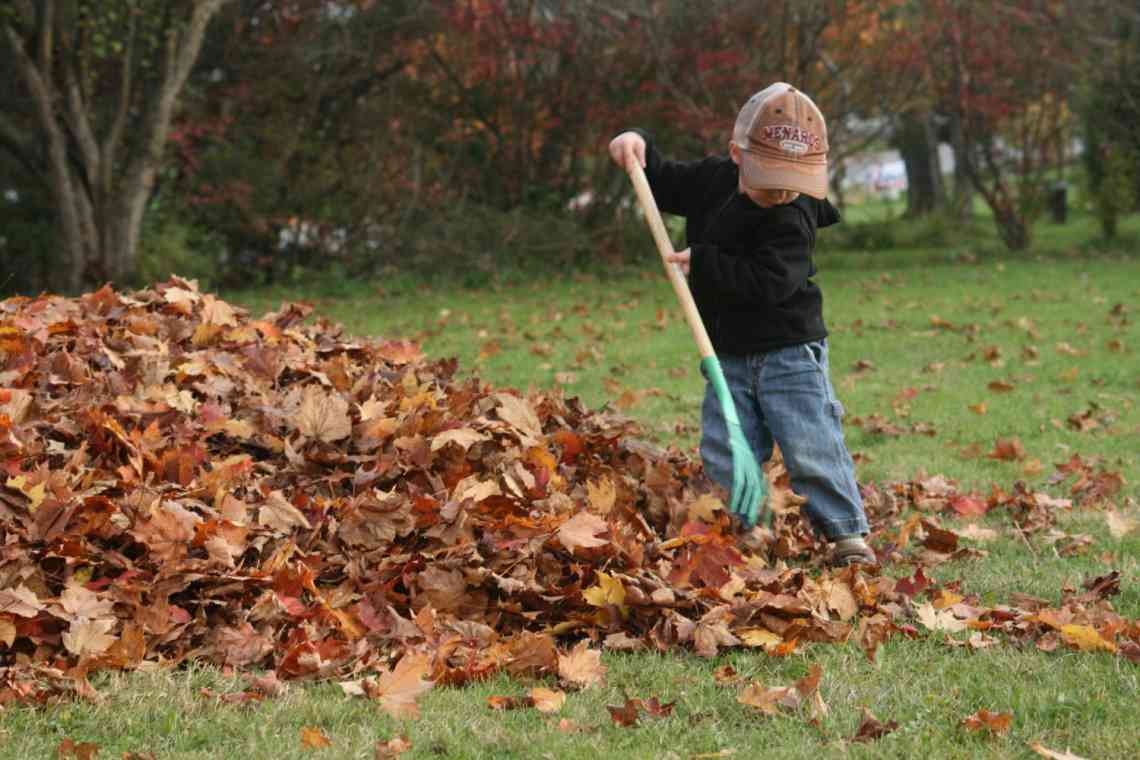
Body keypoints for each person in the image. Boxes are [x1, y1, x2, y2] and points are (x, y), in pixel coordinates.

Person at [608, 82, 874, 566]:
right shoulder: (712, 179)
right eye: (770, 180)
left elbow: (771, 282)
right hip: (726, 352)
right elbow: (662, 180)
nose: (780, 192)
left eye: (792, 181)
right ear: (737, 155)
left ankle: (845, 534)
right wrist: (636, 143)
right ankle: (744, 529)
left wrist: (706, 263)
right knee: (727, 449)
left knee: (811, 446)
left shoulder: (795, 212)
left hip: (789, 353)